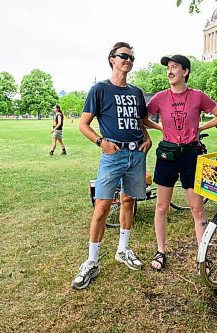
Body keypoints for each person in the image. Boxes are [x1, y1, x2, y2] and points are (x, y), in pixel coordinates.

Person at [72, 42, 152, 290]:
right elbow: (83, 124)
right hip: (112, 154)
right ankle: (91, 261)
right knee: (102, 207)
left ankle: (123, 250)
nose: (128, 60)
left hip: (136, 155)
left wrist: (147, 137)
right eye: (123, 56)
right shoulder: (100, 89)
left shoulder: (136, 92)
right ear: (112, 59)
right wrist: (100, 142)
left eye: (131, 58)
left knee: (129, 202)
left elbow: (140, 122)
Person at [142, 55, 217, 272]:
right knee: (161, 207)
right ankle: (161, 250)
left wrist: (200, 128)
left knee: (197, 209)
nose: (170, 71)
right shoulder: (160, 98)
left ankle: (202, 255)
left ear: (185, 72)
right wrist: (160, 128)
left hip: (191, 155)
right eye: (168, 68)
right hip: (167, 156)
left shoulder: (198, 96)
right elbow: (143, 117)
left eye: (174, 67)